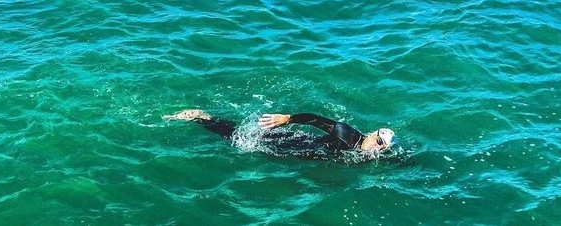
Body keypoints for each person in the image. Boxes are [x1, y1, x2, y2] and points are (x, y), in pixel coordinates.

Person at [163, 109, 396, 159]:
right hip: (297, 143)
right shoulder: (348, 136)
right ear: (371, 134)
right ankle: (202, 117)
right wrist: (288, 119)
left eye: (382, 146)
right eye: (378, 141)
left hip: (301, 153)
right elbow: (317, 120)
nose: (378, 147)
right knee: (239, 140)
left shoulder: (367, 155)